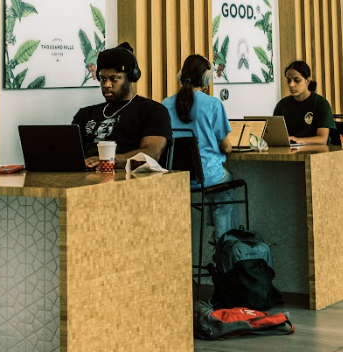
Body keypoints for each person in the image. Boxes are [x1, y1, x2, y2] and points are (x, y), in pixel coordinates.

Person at [163, 54, 237, 239]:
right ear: (206, 79)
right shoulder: (213, 104)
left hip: (177, 176)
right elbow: (226, 148)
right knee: (226, 187)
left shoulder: (165, 104)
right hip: (207, 176)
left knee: (217, 189)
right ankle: (223, 243)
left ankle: (217, 239)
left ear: (181, 75)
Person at [72, 42, 171, 169]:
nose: (106, 84)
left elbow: (151, 153)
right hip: (85, 177)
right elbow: (71, 151)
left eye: (114, 79)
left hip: (128, 179)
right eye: (102, 79)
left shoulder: (153, 111)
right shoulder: (85, 114)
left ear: (131, 77)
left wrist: (108, 161)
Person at [274, 60, 338, 145]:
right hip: (290, 152)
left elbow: (322, 139)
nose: (291, 85)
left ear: (307, 81)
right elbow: (276, 136)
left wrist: (298, 140)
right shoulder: (282, 105)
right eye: (288, 80)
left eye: (297, 80)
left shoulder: (320, 103)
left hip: (317, 153)